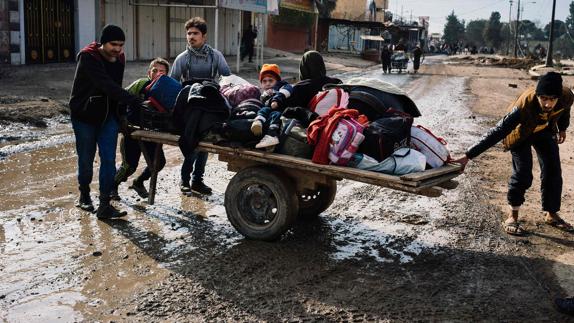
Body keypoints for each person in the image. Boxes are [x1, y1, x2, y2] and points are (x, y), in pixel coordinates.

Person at [453, 72, 573, 236]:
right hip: (520, 132)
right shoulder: (523, 106)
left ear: (558, 97)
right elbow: (498, 131)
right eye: (543, 98)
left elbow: (565, 110)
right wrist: (467, 156)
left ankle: (551, 214)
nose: (547, 104)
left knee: (553, 170)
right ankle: (512, 216)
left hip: (544, 130)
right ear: (538, 95)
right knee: (523, 173)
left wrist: (563, 128)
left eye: (552, 99)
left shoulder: (566, 96)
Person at [69, 24, 142, 219]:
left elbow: (115, 88)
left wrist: (122, 115)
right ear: (103, 43)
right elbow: (106, 85)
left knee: (109, 160)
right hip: (84, 116)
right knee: (86, 160)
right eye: (113, 44)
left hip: (108, 117)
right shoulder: (88, 57)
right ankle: (84, 195)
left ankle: (104, 204)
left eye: (121, 45)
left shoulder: (120, 58)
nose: (117, 49)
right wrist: (132, 98)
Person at [170, 16, 231, 195]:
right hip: (190, 106)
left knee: (204, 142)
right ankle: (185, 179)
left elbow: (227, 79)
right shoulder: (182, 58)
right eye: (188, 33)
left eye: (195, 33)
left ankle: (198, 180)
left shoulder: (216, 56)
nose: (191, 37)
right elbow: (173, 84)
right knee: (192, 140)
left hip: (210, 105)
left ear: (204, 36)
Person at [111, 57, 170, 200]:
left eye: (162, 72)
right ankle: (113, 187)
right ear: (149, 73)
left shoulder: (168, 91)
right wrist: (122, 119)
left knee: (159, 163)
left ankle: (139, 182)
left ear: (167, 75)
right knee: (129, 166)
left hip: (153, 134)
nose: (158, 74)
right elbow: (120, 99)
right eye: (155, 70)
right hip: (132, 131)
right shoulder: (140, 84)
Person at [250, 64, 293, 148]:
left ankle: (272, 135)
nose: (268, 83)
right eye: (264, 81)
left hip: (280, 111)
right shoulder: (264, 94)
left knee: (275, 114)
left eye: (271, 80)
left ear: (277, 81)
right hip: (269, 114)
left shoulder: (282, 86)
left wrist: (275, 100)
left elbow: (285, 91)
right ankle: (258, 122)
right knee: (263, 110)